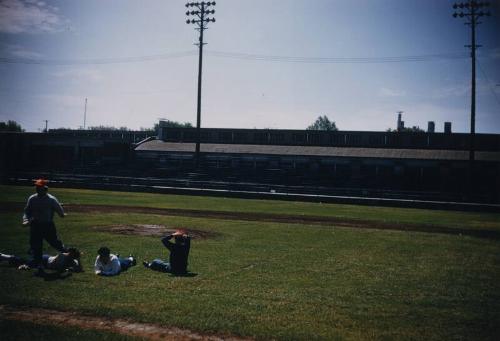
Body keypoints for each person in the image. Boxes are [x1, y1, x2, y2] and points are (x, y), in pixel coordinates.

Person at [23, 179, 67, 276]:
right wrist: (25, 220)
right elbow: (27, 211)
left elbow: (61, 214)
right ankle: (40, 268)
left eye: (39, 187)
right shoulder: (32, 198)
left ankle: (70, 255)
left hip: (47, 226)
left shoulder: (51, 199)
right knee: (36, 247)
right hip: (35, 226)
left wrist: (62, 212)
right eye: (37, 187)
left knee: (55, 243)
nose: (37, 188)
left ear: (45, 188)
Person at [0, 247, 82, 273]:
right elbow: (59, 268)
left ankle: (5, 257)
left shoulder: (72, 260)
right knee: (25, 262)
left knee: (26, 262)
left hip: (46, 260)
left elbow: (79, 269)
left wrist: (78, 261)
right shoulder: (63, 256)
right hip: (44, 260)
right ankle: (3, 256)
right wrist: (67, 269)